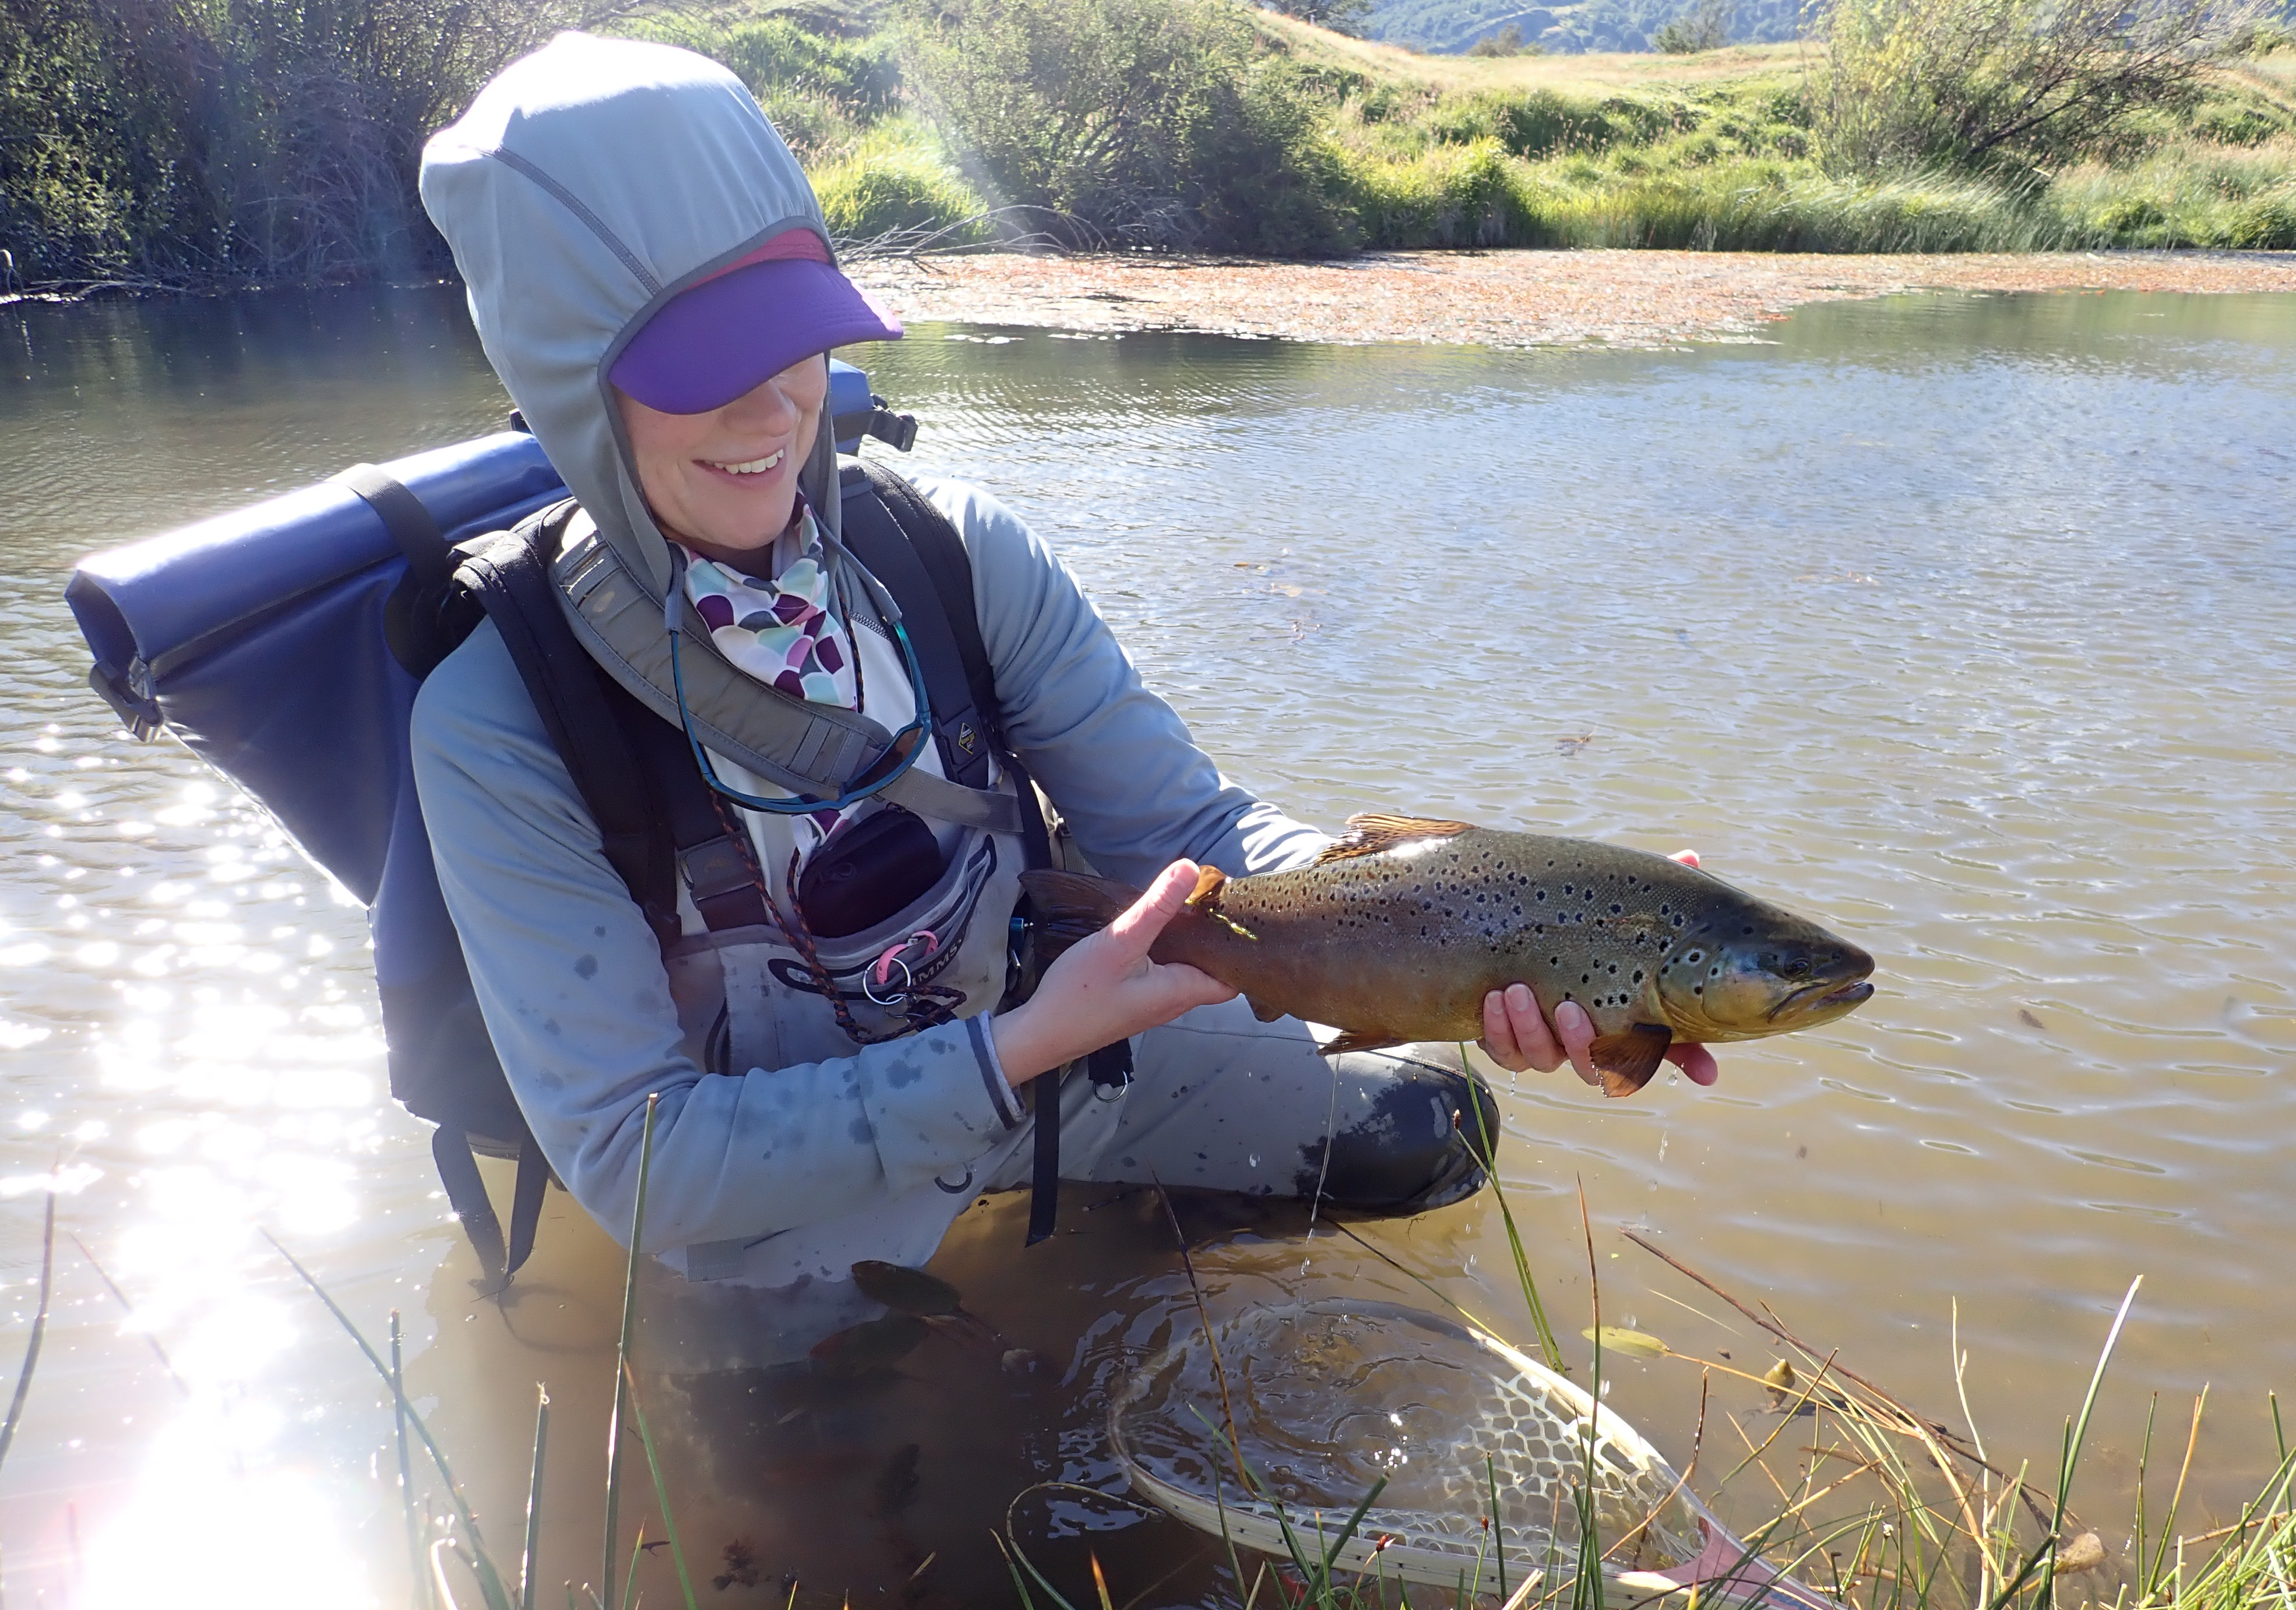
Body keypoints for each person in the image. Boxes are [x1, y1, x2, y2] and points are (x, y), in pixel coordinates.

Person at [410, 34, 1716, 1364]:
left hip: (1044, 1064)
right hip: (774, 1204)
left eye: (794, 341)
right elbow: (641, 1163)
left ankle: (1114, 1284)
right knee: (847, 1525)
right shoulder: (498, 721)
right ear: (569, 387)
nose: (772, 410)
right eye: (702, 372)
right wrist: (1012, 1051)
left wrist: (1479, 923)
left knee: (1428, 1124)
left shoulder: (955, 555)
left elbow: (1187, 832)